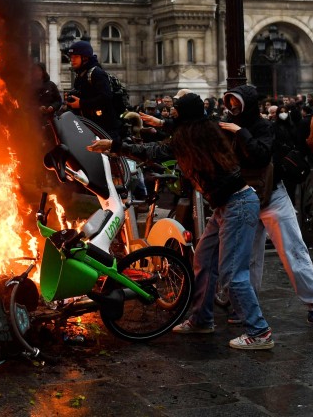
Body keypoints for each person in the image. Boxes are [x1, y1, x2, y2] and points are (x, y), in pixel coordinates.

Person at [87, 93, 274, 350]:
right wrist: (150, 128)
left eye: (176, 109)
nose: (171, 111)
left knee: (232, 273)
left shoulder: (191, 139)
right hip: (226, 206)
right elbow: (170, 134)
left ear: (185, 114)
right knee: (204, 260)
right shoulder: (200, 129)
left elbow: (155, 151)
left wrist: (115, 146)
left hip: (238, 205)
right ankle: (201, 319)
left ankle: (259, 331)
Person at [221, 86, 313, 326]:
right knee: (247, 256)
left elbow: (260, 155)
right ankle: (244, 306)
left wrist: (240, 133)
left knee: (291, 248)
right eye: (230, 103)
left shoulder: (264, 127)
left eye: (236, 103)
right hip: (242, 195)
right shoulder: (228, 125)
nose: (232, 108)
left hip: (271, 194)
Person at [64, 40, 120, 139]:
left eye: (76, 57)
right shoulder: (80, 75)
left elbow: (106, 98)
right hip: (89, 125)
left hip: (105, 128)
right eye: (71, 57)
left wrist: (81, 103)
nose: (72, 60)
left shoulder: (96, 73)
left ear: (85, 58)